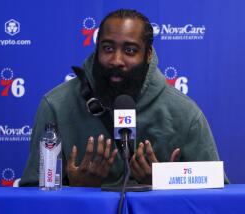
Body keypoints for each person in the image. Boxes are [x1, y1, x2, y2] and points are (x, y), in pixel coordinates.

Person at [20, 9, 228, 187]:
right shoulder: (56, 105)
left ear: (148, 54)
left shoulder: (185, 114)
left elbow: (216, 196)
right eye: (108, 48)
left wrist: (166, 183)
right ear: (97, 48)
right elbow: (33, 195)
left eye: (130, 50)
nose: (116, 60)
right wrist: (76, 189)